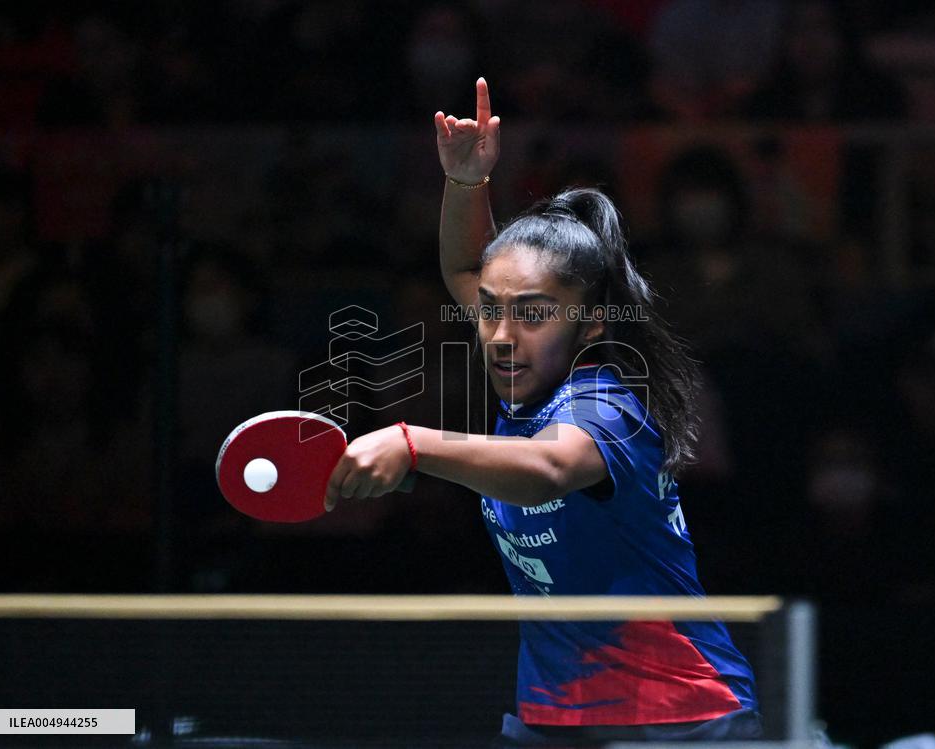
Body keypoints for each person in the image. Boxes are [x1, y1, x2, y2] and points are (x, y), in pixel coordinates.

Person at [322, 78, 762, 744]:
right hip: (558, 715)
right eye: (490, 309)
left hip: (679, 717)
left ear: (588, 325)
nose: (500, 332)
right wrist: (467, 183)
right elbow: (471, 264)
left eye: (531, 313)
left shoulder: (606, 402)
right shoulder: (522, 358)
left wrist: (413, 442)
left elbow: (550, 466)